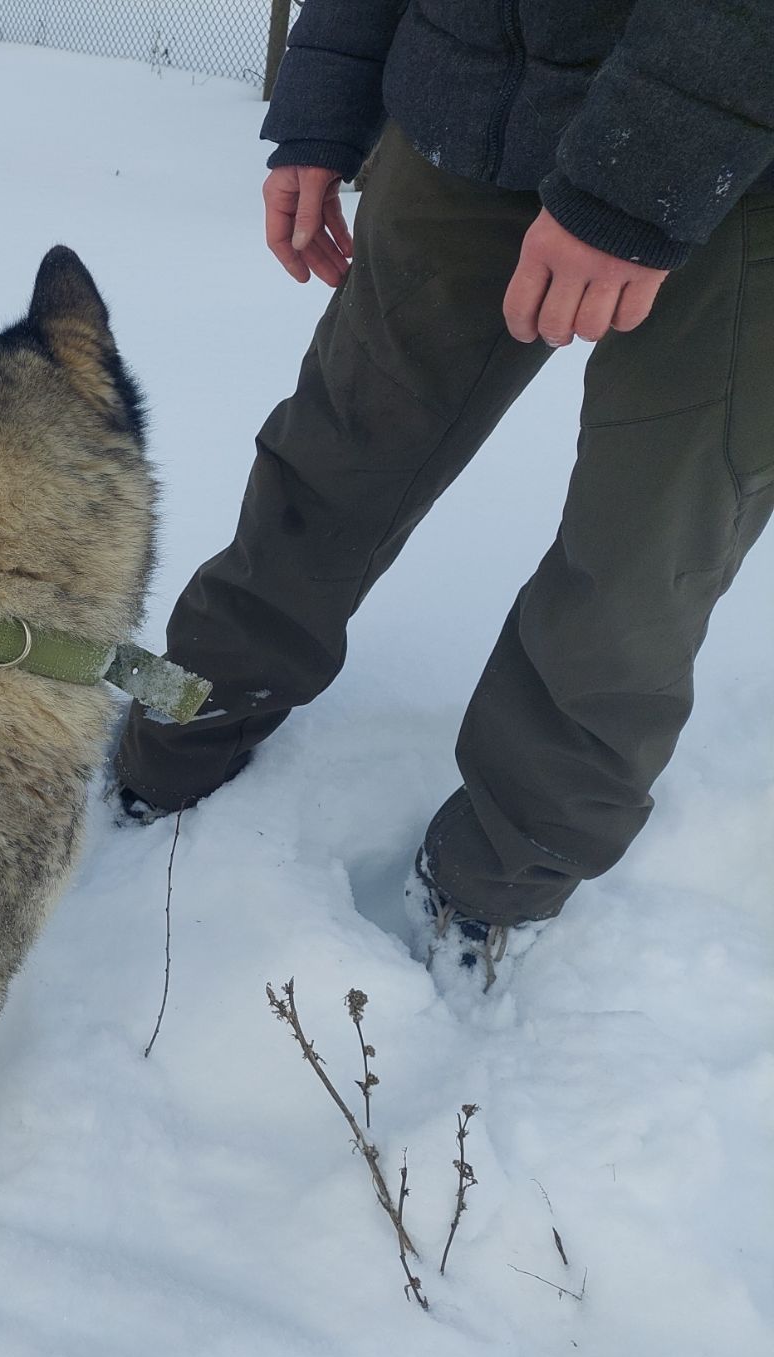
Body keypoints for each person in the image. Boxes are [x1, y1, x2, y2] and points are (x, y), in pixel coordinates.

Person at [113, 0, 773, 995]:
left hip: (741, 156)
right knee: (339, 447)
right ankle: (187, 720)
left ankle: (501, 875)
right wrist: (324, 106)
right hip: (474, 94)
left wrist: (636, 184)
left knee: (644, 548)